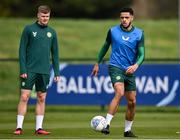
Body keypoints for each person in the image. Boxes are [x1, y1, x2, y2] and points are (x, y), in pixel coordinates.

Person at [91, 7, 145, 137]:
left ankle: (127, 131)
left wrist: (136, 65)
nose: (124, 20)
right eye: (122, 17)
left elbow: (142, 54)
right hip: (115, 66)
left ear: (132, 18)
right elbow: (105, 46)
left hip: (130, 70)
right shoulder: (113, 31)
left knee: (132, 102)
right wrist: (97, 62)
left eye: (127, 17)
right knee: (119, 92)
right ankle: (107, 124)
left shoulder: (139, 33)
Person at [14, 5, 60, 135]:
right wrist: (23, 69)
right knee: (24, 96)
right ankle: (19, 127)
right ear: (38, 15)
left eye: (47, 16)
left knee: (41, 97)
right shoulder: (29, 29)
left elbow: (55, 54)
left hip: (44, 70)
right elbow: (22, 50)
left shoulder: (52, 32)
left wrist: (56, 72)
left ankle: (39, 128)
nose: (45, 18)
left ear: (49, 16)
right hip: (29, 70)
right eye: (43, 16)